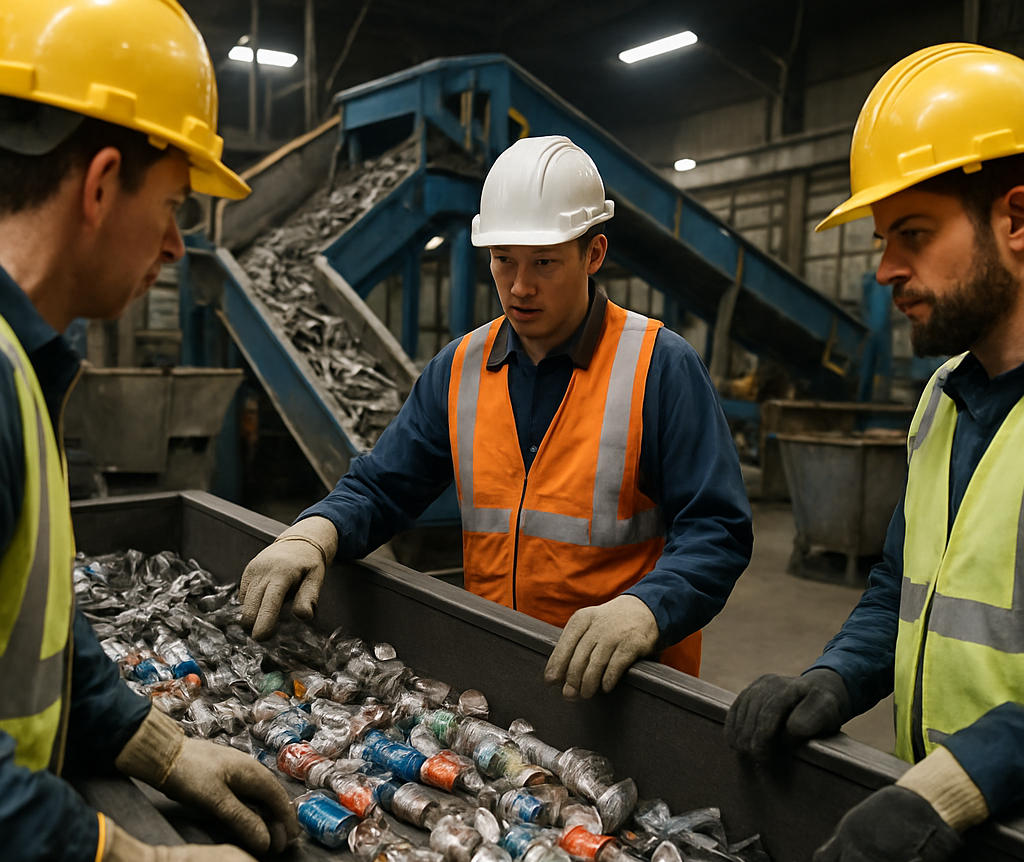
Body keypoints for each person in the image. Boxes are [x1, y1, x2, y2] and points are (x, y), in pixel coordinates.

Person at [0, 2, 319, 862]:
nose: (177, 247)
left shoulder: (19, 364)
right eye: (174, 204)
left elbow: (31, 625)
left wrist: (155, 745)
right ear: (100, 185)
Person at [240, 135, 752, 699]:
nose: (520, 286)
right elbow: (384, 485)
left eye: (545, 263)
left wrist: (647, 609)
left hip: (626, 684)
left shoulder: (660, 367)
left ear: (594, 254)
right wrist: (314, 533)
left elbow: (717, 528)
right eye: (503, 260)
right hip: (496, 668)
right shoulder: (460, 368)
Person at [726, 42, 1024, 862]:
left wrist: (949, 788)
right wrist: (835, 678)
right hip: (941, 831)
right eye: (883, 236)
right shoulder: (941, 401)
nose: (883, 266)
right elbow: (902, 589)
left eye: (914, 233)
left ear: (1018, 219)